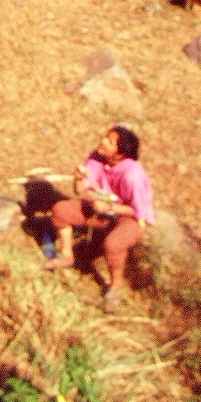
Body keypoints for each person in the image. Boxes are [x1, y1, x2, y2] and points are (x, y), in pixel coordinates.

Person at [46, 125, 154, 311]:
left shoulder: (132, 176)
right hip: (103, 211)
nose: (103, 141)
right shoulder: (97, 158)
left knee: (113, 245)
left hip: (131, 218)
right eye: (106, 137)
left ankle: (115, 287)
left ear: (120, 154)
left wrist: (110, 207)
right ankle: (66, 255)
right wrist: (78, 180)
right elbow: (81, 191)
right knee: (60, 211)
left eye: (110, 142)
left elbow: (139, 211)